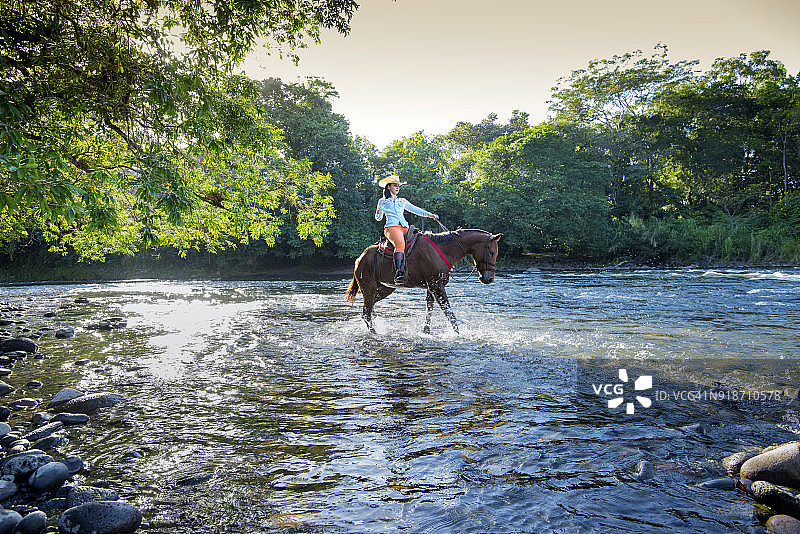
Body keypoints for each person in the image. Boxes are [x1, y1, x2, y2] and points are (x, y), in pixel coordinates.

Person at [375, 175, 439, 285]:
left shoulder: (402, 201)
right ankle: (399, 273)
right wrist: (379, 213)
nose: (397, 188)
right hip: (391, 228)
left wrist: (430, 215)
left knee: (422, 240)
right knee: (400, 244)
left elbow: (415, 209)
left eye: (398, 186)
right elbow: (378, 218)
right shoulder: (382, 201)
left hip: (405, 227)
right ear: (389, 187)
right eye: (395, 185)